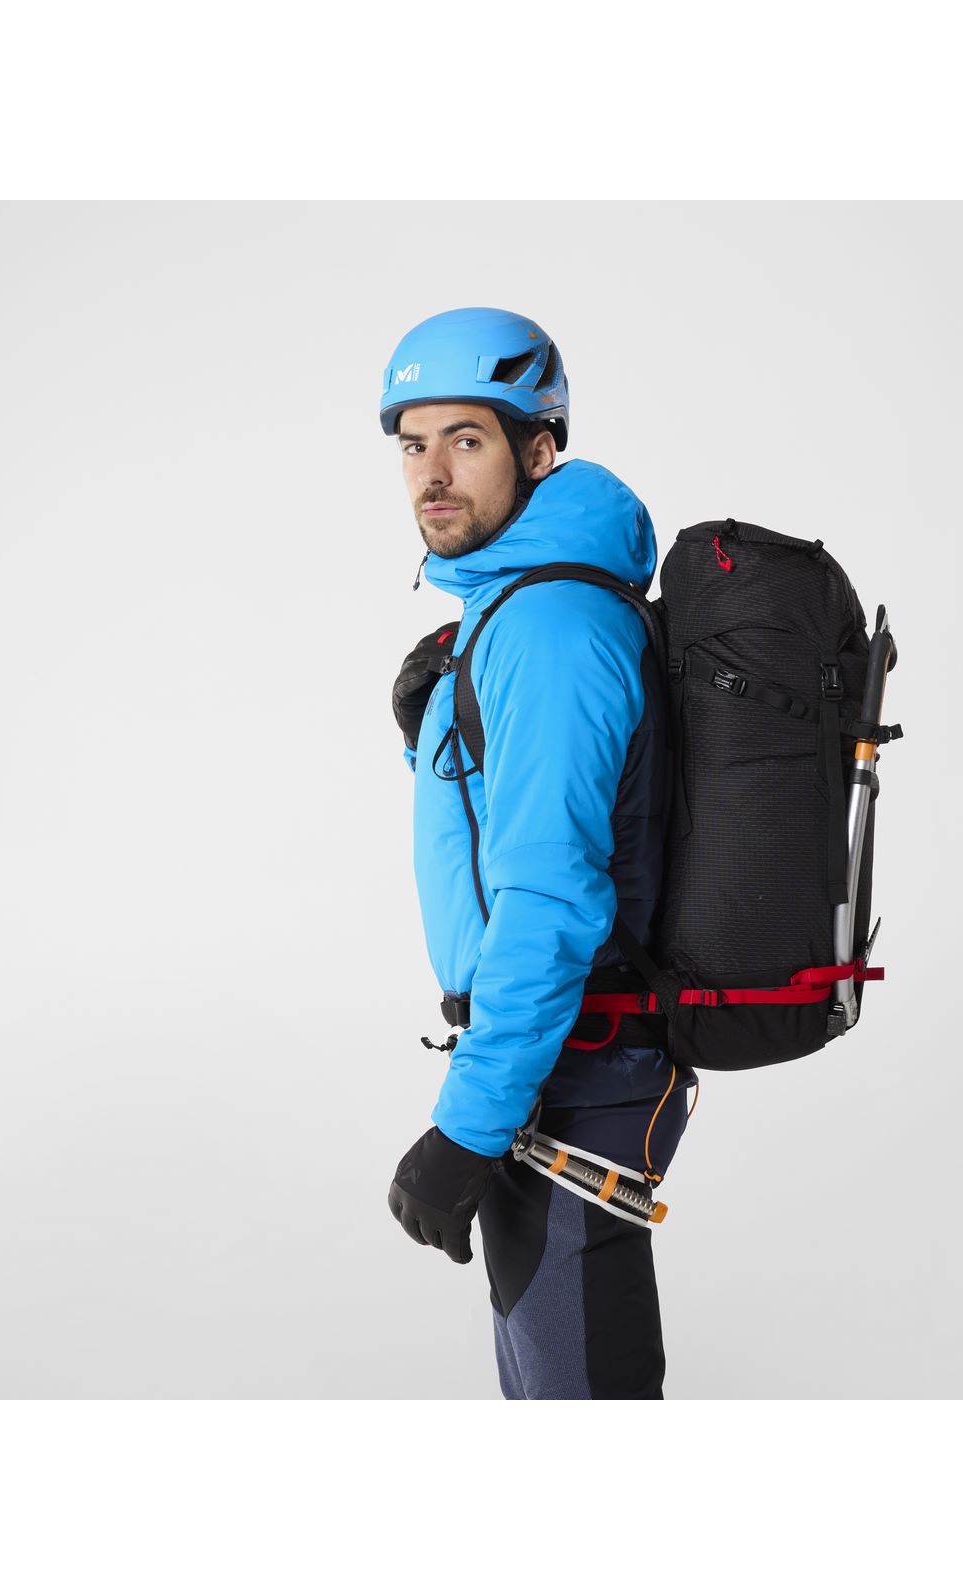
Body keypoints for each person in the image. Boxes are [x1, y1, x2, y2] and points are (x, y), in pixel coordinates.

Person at [382, 306, 695, 1399]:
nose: (432, 474)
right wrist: (433, 731)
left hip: (574, 1069)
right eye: (413, 444)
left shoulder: (549, 626)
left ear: (540, 449)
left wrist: (466, 1127)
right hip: (551, 1061)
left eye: (466, 439)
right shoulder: (514, 610)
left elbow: (550, 898)